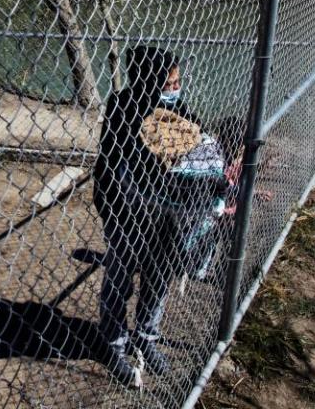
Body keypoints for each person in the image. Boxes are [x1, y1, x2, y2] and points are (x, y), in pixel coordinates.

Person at [93, 47, 229, 384]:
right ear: (146, 79)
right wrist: (134, 207)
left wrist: (214, 175)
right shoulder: (123, 107)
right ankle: (112, 341)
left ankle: (146, 337)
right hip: (127, 210)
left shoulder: (178, 109)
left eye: (177, 82)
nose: (174, 89)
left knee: (158, 279)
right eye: (167, 84)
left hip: (168, 216)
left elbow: (199, 145)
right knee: (120, 276)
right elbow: (112, 169)